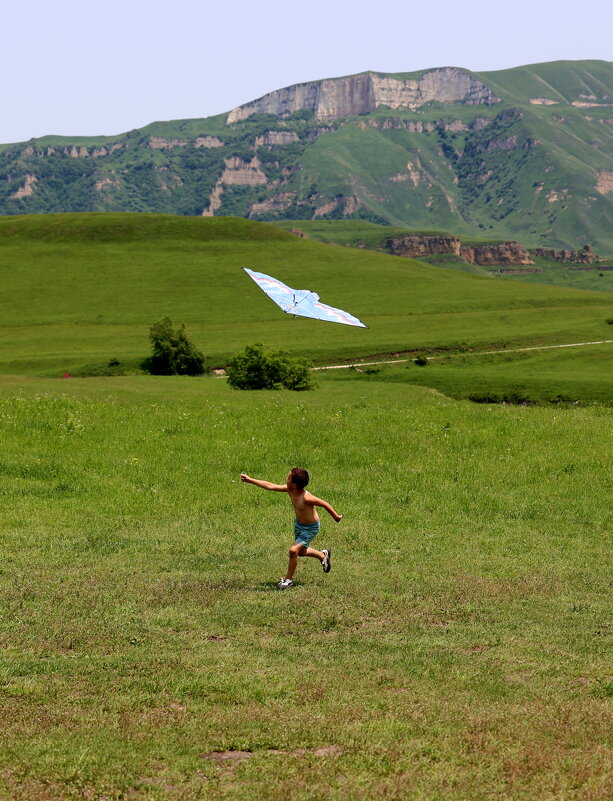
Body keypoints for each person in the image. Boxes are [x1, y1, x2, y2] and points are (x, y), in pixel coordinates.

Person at [240, 467, 342, 589]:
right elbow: (270, 486)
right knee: (301, 552)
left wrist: (336, 517)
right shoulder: (290, 490)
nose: (286, 478)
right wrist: (250, 480)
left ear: (294, 485)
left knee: (293, 551)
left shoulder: (306, 497)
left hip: (310, 528)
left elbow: (324, 504)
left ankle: (288, 580)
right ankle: (322, 555)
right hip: (299, 525)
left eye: (288, 478)